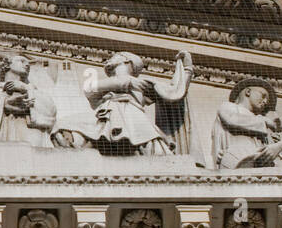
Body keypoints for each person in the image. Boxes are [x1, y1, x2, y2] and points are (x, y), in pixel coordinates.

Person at [55, 50, 194, 156]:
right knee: (63, 129)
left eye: (116, 57)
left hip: (132, 117)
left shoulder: (142, 84)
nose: (110, 59)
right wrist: (124, 82)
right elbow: (89, 90)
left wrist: (187, 69)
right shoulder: (135, 83)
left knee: (158, 153)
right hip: (104, 116)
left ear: (127, 61)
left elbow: (174, 92)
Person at [212, 78, 278, 168]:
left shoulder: (258, 119)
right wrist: (264, 122)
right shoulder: (229, 107)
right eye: (263, 96)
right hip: (234, 160)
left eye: (267, 100)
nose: (265, 102)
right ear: (248, 92)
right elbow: (232, 120)